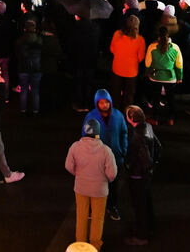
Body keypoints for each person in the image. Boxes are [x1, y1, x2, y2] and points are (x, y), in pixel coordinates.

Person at [65, 117, 118, 250]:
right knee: (97, 218)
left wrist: (78, 174)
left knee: (81, 217)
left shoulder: (75, 147)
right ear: (98, 133)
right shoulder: (106, 150)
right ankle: (94, 246)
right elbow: (112, 173)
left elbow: (68, 166)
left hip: (81, 188)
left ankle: (80, 244)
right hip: (99, 190)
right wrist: (105, 180)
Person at [82, 89, 127, 221]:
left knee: (113, 185)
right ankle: (93, 208)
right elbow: (85, 137)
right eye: (101, 102)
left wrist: (123, 150)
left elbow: (124, 133)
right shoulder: (91, 117)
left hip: (115, 158)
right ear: (97, 103)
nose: (104, 105)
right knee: (96, 185)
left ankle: (111, 206)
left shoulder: (118, 116)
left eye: (106, 102)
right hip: (97, 159)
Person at [123, 105, 160, 246]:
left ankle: (141, 235)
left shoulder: (137, 136)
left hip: (138, 176)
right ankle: (150, 227)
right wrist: (152, 167)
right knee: (147, 202)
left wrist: (130, 166)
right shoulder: (148, 127)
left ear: (131, 118)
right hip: (146, 176)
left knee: (139, 206)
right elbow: (159, 147)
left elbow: (145, 158)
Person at [142, 25, 181, 125]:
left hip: (156, 76)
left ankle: (155, 119)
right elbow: (179, 64)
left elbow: (147, 63)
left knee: (156, 99)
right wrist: (179, 77)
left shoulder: (152, 47)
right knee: (171, 99)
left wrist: (147, 73)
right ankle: (171, 119)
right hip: (170, 77)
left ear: (158, 36)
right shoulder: (175, 47)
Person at [110, 15, 146, 109]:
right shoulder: (140, 40)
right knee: (128, 96)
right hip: (131, 72)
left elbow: (112, 49)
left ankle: (115, 113)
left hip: (117, 69)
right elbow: (141, 58)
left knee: (116, 94)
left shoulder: (117, 34)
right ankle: (127, 114)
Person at [15, 18, 44, 115]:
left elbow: (17, 54)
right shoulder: (40, 40)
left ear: (24, 29)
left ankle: (23, 110)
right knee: (35, 90)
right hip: (36, 67)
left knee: (23, 90)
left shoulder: (19, 41)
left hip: (23, 68)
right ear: (34, 29)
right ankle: (35, 110)